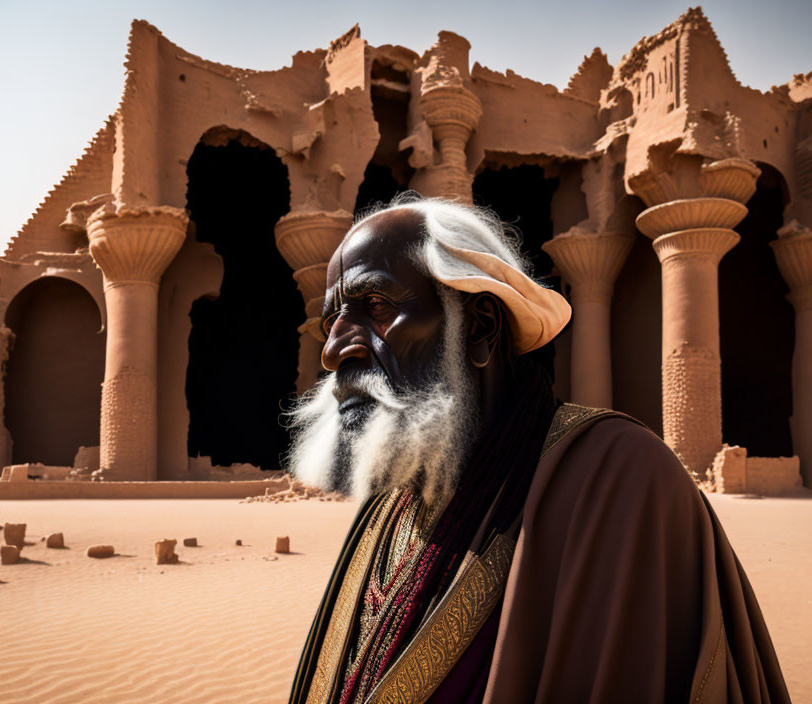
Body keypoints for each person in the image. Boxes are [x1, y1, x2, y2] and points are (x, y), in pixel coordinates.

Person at [286, 194, 789, 704]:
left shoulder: (617, 476)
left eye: (375, 306)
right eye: (332, 324)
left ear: (480, 326)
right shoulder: (390, 505)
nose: (333, 352)